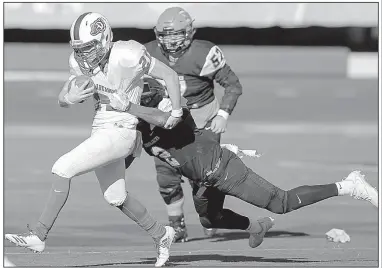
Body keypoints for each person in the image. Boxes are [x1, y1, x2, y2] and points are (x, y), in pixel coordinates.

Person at [5, 12, 184, 267]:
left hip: (122, 128)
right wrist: (67, 99)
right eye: (79, 49)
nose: (83, 55)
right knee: (115, 196)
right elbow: (63, 96)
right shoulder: (79, 62)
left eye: (88, 48)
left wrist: (175, 111)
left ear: (105, 39)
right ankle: (161, 234)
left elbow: (169, 75)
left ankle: (39, 234)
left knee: (62, 168)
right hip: (101, 128)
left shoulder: (128, 54)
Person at [122, 79, 378, 248]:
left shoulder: (173, 113)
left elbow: (170, 118)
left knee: (282, 202)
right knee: (211, 220)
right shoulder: (140, 130)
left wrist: (139, 106)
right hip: (204, 179)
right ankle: (257, 226)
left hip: (224, 170)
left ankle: (349, 186)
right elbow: (125, 158)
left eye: (138, 102)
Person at [143, 6, 243, 242]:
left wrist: (223, 115)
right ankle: (176, 225)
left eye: (176, 35)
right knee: (166, 176)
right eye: (165, 36)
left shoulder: (204, 53)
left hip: (201, 120)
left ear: (189, 33)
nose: (171, 42)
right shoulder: (146, 53)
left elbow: (233, 85)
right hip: (166, 121)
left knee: (204, 176)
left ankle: (211, 215)